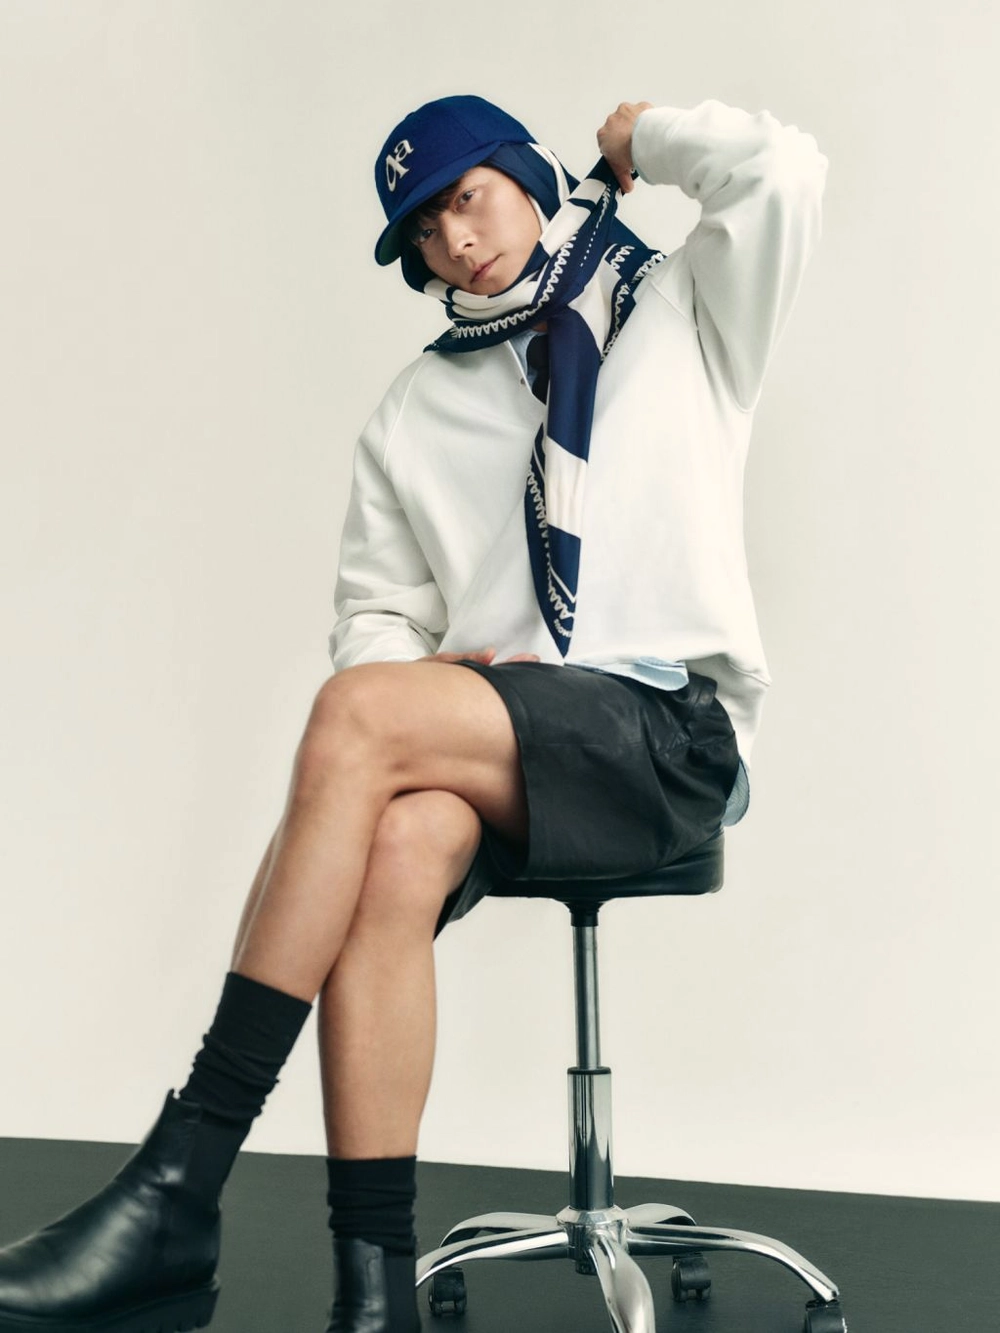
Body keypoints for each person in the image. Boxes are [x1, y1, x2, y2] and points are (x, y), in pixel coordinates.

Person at [0, 94, 827, 1333]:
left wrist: (645, 136)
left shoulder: (680, 304)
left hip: (666, 736)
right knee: (391, 838)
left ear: (525, 176)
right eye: (425, 231)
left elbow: (781, 172)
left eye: (467, 199)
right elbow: (378, 620)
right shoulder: (412, 411)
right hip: (510, 752)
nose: (455, 241)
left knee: (357, 717)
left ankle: (178, 1182)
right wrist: (435, 693)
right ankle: (374, 1291)